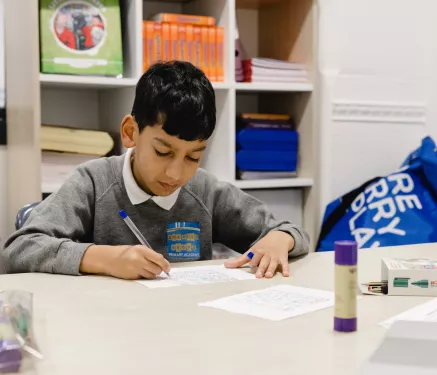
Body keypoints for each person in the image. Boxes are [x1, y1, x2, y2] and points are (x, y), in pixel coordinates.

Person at [1, 61, 309, 280]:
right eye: (163, 152)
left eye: (193, 157)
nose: (176, 174)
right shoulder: (94, 183)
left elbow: (292, 231)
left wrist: (280, 239)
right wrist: (105, 258)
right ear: (131, 131)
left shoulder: (205, 191)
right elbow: (18, 249)